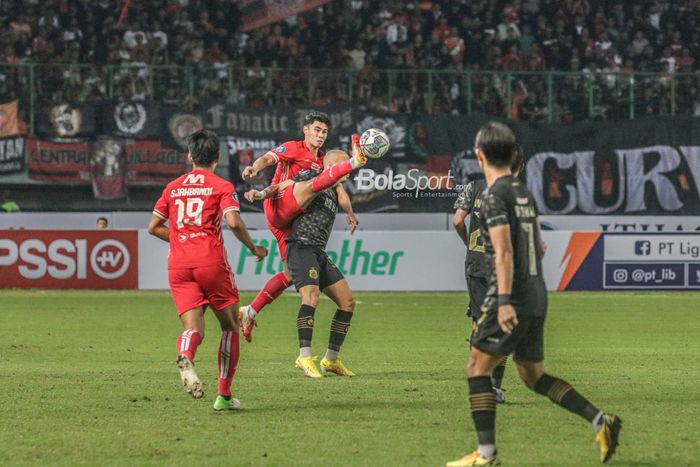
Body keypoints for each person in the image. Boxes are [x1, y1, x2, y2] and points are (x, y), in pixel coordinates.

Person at [447, 122, 621, 466]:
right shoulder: (522, 192)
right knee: (532, 375)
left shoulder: (494, 194)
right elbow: (538, 247)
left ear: (480, 156)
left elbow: (505, 252)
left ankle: (486, 454)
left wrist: (505, 301)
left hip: (511, 295)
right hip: (537, 293)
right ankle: (602, 421)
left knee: (476, 368)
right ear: (514, 155)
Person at [147, 129, 267, 411]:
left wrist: (181, 237)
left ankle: (186, 353)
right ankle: (224, 396)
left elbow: (153, 227)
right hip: (210, 261)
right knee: (230, 326)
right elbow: (234, 223)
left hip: (178, 264)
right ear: (217, 157)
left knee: (193, 326)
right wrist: (253, 248)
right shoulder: (222, 186)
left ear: (190, 156)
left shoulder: (173, 187)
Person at [238, 111, 359, 342]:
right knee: (297, 272)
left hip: (295, 216)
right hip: (279, 206)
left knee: (290, 273)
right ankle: (255, 314)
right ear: (306, 130)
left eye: (324, 132)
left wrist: (350, 213)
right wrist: (255, 168)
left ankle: (249, 311)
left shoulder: (322, 158)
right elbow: (268, 158)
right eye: (316, 130)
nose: (321, 135)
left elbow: (339, 188)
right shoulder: (294, 148)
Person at [452, 148, 524, 404]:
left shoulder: (473, 187)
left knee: (479, 323)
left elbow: (458, 221)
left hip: (475, 264)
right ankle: (493, 386)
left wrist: (469, 244)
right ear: (519, 167)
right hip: (502, 266)